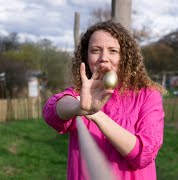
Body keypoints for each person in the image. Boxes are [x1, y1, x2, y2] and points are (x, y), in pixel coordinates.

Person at [42, 20, 166, 180]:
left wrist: (95, 114)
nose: (103, 58)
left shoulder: (148, 95)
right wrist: (78, 107)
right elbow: (51, 112)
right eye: (95, 50)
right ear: (86, 56)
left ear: (125, 57)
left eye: (113, 51)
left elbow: (144, 154)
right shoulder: (82, 92)